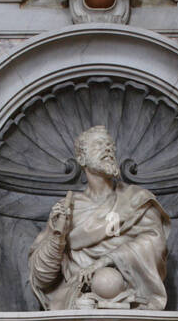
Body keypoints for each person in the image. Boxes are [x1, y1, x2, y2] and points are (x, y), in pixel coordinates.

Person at [29, 125, 169, 310]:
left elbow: (154, 245)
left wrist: (107, 260)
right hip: (78, 296)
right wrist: (58, 237)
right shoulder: (68, 209)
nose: (107, 150)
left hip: (130, 293)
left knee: (106, 280)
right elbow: (42, 276)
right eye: (99, 145)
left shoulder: (136, 199)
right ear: (81, 158)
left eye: (110, 146)